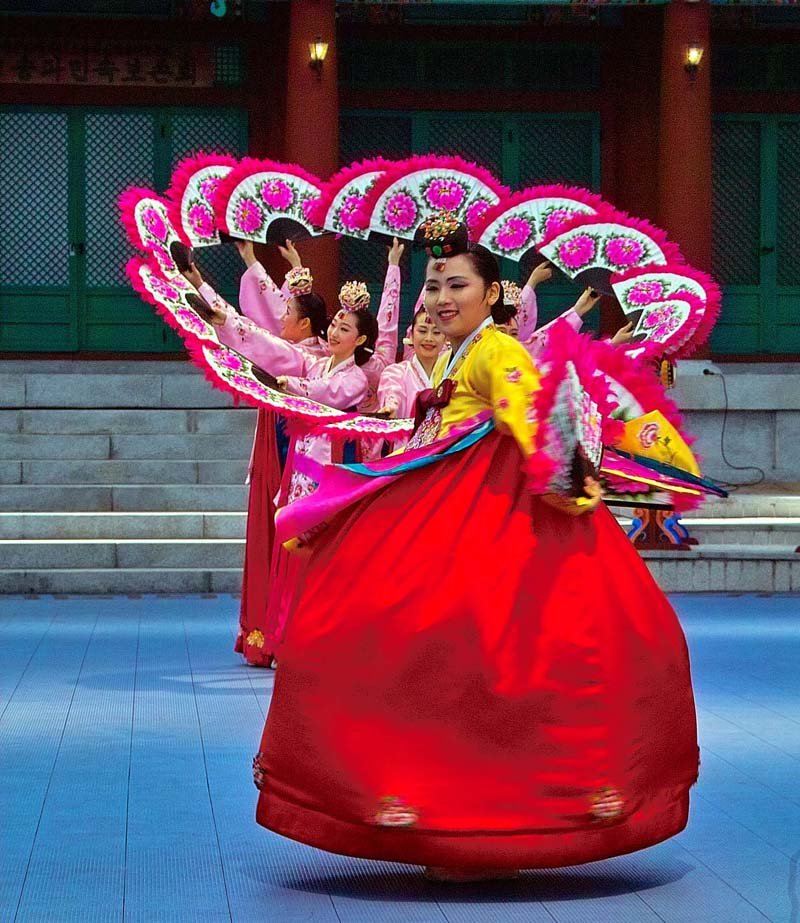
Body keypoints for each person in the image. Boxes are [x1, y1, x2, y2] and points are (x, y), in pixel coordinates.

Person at [251, 215, 699, 879]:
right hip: (439, 511)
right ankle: (436, 806)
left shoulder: (497, 352)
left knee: (470, 659)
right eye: (434, 285)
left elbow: (536, 421)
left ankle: (480, 819)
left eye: (457, 285)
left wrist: (573, 488)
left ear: (491, 294)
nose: (441, 298)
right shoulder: (456, 353)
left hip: (485, 521)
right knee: (407, 652)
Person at [201, 280, 379, 664]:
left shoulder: (355, 378)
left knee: (319, 559)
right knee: (289, 556)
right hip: (298, 471)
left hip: (328, 477)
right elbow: (272, 348)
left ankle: (316, 643)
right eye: (335, 325)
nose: (335, 332)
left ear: (361, 339)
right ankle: (285, 640)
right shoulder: (315, 362)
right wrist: (226, 319)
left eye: (345, 329)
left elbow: (327, 393)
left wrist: (291, 385)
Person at [181, 241, 327, 666]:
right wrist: (219, 276)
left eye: (289, 312)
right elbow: (264, 323)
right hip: (282, 446)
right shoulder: (311, 350)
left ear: (305, 324)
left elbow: (255, 334)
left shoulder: (302, 359)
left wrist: (215, 304)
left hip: (291, 455)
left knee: (284, 538)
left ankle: (282, 633)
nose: (280, 316)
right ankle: (277, 631)